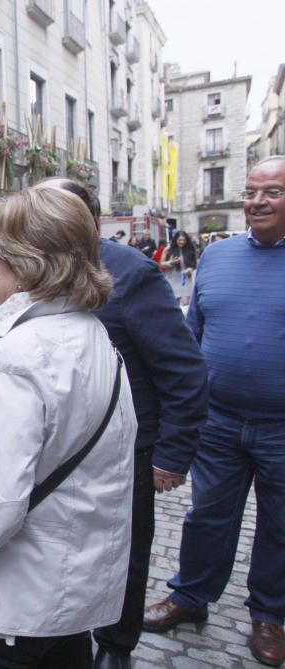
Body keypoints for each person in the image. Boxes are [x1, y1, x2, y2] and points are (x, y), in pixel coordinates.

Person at [0, 186, 137, 668]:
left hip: (11, 609)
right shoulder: (92, 333)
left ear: (24, 263)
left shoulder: (18, 357)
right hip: (68, 596)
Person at [42, 178, 208, 669]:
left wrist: (172, 454)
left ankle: (116, 646)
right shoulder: (36, 269)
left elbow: (184, 370)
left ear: (90, 222)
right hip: (60, 450)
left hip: (126, 452)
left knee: (124, 555)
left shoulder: (131, 274)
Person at [143, 156, 285, 668]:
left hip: (282, 430)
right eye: (251, 191)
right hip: (220, 422)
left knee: (280, 526)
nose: (257, 201)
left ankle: (269, 615)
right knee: (207, 517)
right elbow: (193, 338)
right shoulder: (218, 258)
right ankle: (190, 597)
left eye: (272, 192)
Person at [160, 230, 197, 307]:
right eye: (179, 240)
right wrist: (171, 262)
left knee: (186, 303)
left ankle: (184, 318)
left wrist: (190, 269)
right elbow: (161, 264)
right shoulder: (168, 249)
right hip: (173, 278)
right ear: (175, 240)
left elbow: (194, 264)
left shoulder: (190, 249)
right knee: (174, 303)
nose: (182, 242)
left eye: (184, 240)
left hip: (186, 278)